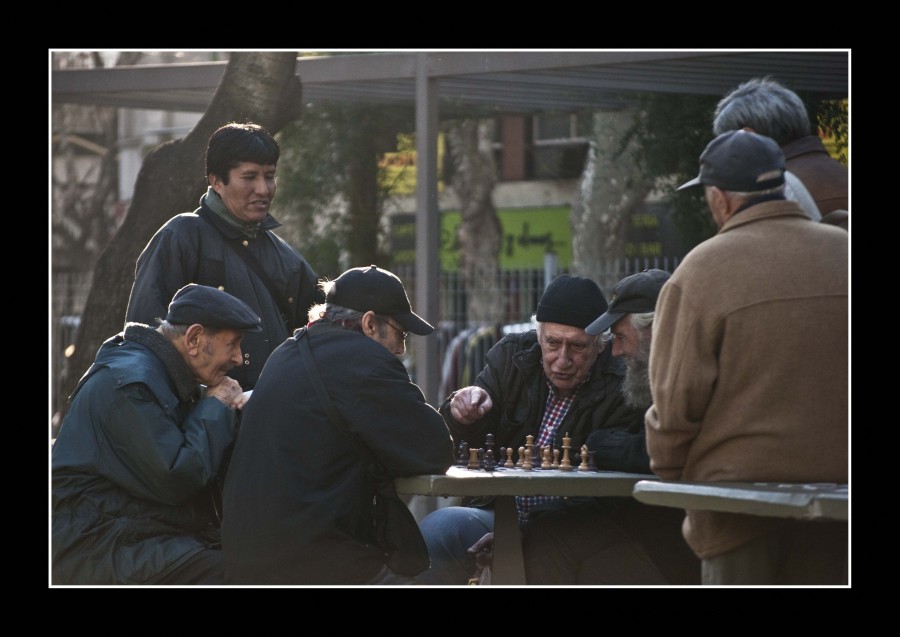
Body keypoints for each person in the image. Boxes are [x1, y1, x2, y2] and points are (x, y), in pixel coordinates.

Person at [646, 129, 848, 585]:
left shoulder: (700, 271)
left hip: (733, 509)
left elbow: (675, 406)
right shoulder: (845, 254)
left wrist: (675, 475)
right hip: (841, 505)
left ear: (719, 199)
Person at [222, 265, 455, 585]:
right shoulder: (364, 362)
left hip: (246, 559)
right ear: (370, 323)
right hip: (312, 563)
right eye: (400, 334)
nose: (401, 350)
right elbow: (436, 450)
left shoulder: (288, 350)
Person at [415, 275, 648, 585]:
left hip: (572, 525)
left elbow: (608, 499)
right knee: (440, 530)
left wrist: (522, 535)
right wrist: (462, 414)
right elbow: (461, 440)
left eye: (577, 346)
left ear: (600, 344)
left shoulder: (623, 383)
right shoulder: (512, 356)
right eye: (553, 343)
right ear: (538, 336)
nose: (562, 360)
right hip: (498, 513)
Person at [52, 284, 262, 585]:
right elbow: (177, 477)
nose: (239, 358)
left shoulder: (156, 372)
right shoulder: (131, 383)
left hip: (132, 531)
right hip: (97, 544)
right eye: (233, 344)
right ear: (194, 338)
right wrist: (216, 405)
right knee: (239, 574)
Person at [518, 269, 700, 585]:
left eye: (620, 337)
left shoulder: (687, 376)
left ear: (654, 330)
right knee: (543, 530)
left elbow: (656, 451)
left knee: (545, 539)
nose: (615, 351)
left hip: (682, 547)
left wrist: (599, 443)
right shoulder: (659, 375)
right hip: (659, 533)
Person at [125, 122, 322, 391]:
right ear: (216, 180)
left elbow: (319, 332)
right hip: (200, 422)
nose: (263, 189)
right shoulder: (181, 237)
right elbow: (145, 339)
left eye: (269, 176)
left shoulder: (284, 254)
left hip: (272, 417)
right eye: (249, 177)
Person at [713, 77, 848, 218]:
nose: (730, 154)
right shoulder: (840, 174)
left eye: (731, 143)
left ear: (749, 136)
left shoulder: (776, 192)